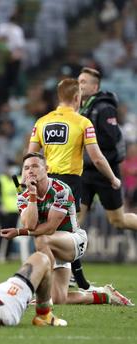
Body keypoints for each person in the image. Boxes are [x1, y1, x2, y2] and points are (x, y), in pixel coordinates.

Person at [0, 153, 133, 306]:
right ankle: (105, 295)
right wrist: (33, 195)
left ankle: (42, 293)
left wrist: (18, 232)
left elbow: (49, 228)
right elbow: (30, 224)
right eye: (26, 168)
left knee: (42, 239)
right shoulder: (24, 195)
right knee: (59, 299)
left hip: (73, 240)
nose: (30, 171)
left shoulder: (60, 189)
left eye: (35, 166)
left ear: (46, 169)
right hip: (51, 247)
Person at [27, 78, 121, 292]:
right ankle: (62, 281)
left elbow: (31, 154)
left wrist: (28, 178)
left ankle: (67, 280)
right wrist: (113, 179)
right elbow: (96, 158)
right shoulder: (82, 122)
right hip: (68, 182)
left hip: (46, 181)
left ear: (59, 97)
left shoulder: (42, 121)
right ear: (77, 98)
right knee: (70, 232)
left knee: (54, 231)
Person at [77, 68, 137, 233]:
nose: (79, 85)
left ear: (95, 87)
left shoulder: (104, 108)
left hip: (106, 172)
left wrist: (86, 142)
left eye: (83, 82)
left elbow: (111, 139)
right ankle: (71, 259)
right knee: (75, 220)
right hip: (85, 172)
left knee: (118, 220)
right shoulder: (79, 109)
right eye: (78, 81)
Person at [0, 160, 20, 262]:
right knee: (2, 233)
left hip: (15, 211)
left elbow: (21, 193)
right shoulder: (1, 179)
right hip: (4, 211)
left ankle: (7, 255)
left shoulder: (16, 179)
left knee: (12, 234)